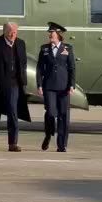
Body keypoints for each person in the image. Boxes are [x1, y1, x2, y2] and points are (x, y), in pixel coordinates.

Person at [0, 22, 29, 152]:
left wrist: (23, 83)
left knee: (12, 113)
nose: (13, 34)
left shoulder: (20, 44)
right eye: (10, 31)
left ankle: (12, 143)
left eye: (15, 31)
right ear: (4, 31)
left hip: (14, 84)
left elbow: (23, 64)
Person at [37, 21, 75, 153]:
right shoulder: (44, 49)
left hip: (64, 86)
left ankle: (61, 144)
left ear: (58, 34)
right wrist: (39, 84)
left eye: (51, 32)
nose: (49, 34)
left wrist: (72, 85)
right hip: (49, 86)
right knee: (51, 113)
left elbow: (71, 68)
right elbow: (39, 68)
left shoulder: (67, 48)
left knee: (64, 116)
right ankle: (48, 134)